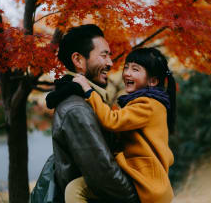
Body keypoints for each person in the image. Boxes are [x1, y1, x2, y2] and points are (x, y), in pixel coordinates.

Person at [45, 24, 140, 203]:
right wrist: (137, 197)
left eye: (109, 56)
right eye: (104, 55)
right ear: (78, 60)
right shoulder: (77, 108)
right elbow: (103, 174)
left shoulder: (88, 101)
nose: (110, 63)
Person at [71, 47, 176, 203]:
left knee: (75, 189)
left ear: (152, 81)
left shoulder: (148, 105)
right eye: (126, 67)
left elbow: (112, 121)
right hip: (142, 181)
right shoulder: (144, 104)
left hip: (144, 185)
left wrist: (87, 89)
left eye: (135, 69)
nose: (127, 73)